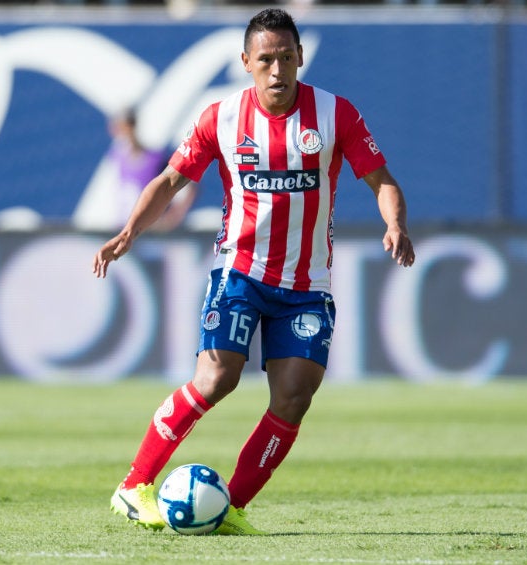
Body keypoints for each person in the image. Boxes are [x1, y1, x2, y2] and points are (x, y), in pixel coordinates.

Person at [92, 7, 415, 535]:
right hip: (239, 273)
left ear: (300, 58)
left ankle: (230, 508)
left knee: (294, 396)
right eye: (266, 59)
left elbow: (381, 179)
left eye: (287, 58)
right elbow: (172, 181)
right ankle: (134, 485)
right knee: (217, 378)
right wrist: (129, 232)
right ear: (246, 62)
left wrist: (395, 223)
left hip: (307, 285)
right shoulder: (219, 118)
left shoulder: (336, 115)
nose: (277, 70)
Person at [107, 108, 197, 232]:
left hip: (150, 234)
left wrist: (172, 218)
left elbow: (190, 184)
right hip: (125, 230)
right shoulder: (117, 157)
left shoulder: (155, 159)